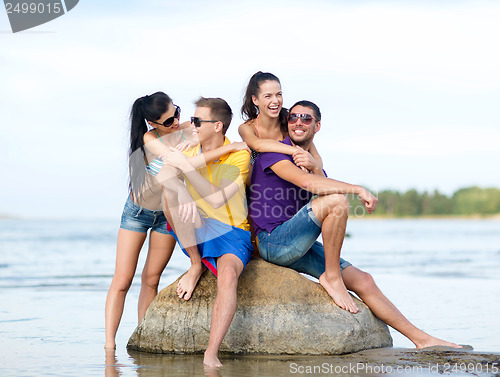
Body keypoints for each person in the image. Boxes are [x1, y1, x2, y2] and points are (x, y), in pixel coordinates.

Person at [249, 100, 460, 349]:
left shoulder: (310, 160)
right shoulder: (275, 151)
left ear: (317, 126)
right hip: (273, 241)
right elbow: (309, 185)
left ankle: (422, 340)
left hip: (295, 242)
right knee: (337, 201)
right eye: (293, 117)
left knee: (365, 280)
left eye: (306, 118)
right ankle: (332, 276)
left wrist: (317, 166)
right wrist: (357, 189)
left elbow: (319, 190)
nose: (298, 122)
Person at [104, 92, 247, 350]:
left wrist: (229, 145)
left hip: (167, 213)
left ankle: (141, 336)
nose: (177, 121)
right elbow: (175, 166)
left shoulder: (187, 128)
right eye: (169, 121)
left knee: (151, 278)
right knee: (123, 280)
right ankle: (109, 346)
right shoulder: (150, 138)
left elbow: (209, 139)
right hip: (139, 211)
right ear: (153, 124)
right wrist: (230, 147)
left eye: (177, 112)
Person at [162, 97, 253, 367]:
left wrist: (184, 169)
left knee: (227, 276)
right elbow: (165, 175)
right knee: (169, 193)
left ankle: (210, 353)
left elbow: (216, 200)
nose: (192, 124)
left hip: (233, 230)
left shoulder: (239, 154)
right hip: (198, 225)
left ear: (218, 126)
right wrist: (182, 192)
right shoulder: (189, 149)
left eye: (198, 121)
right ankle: (194, 264)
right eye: (193, 119)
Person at [239, 71, 323, 176]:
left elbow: (316, 157)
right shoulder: (247, 127)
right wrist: (296, 151)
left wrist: (316, 170)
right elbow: (258, 145)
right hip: (258, 185)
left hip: (291, 180)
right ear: (255, 100)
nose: (275, 101)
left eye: (278, 95)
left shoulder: (291, 122)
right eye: (268, 96)